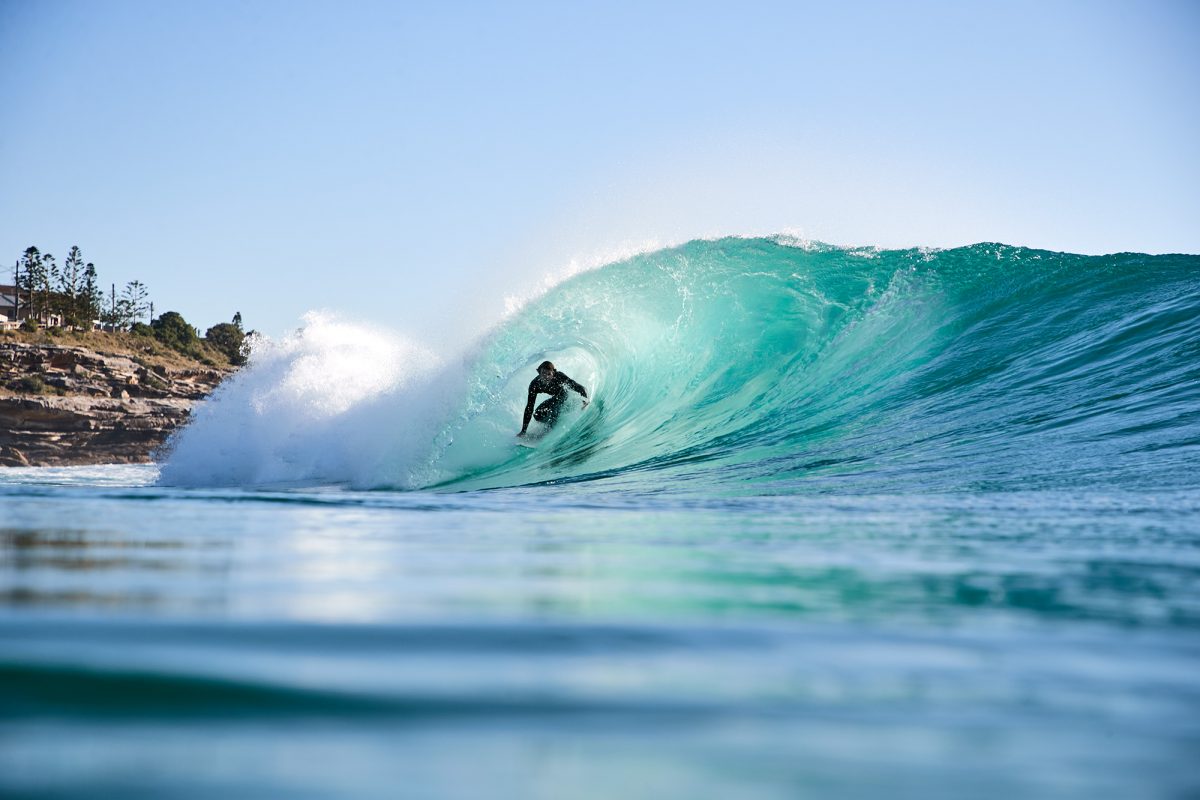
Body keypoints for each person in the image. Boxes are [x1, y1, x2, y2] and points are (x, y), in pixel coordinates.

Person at [518, 360, 588, 436]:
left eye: (549, 374)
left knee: (554, 409)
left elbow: (580, 388)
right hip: (555, 398)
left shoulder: (559, 377)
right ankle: (550, 425)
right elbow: (529, 407)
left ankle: (549, 431)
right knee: (537, 415)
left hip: (564, 395)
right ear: (539, 373)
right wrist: (523, 431)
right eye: (543, 373)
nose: (546, 377)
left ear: (553, 373)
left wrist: (585, 400)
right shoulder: (535, 385)